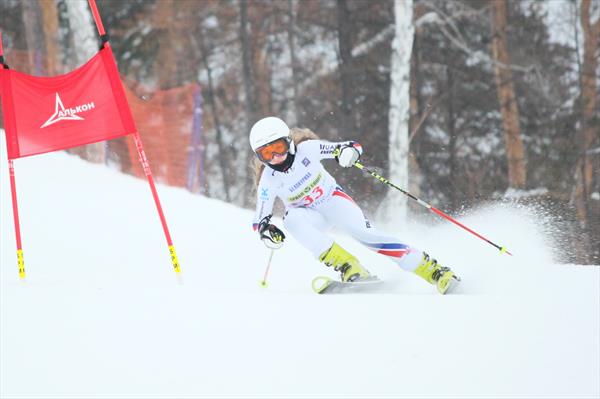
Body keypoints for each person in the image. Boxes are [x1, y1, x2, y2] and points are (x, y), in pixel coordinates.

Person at [250, 116, 459, 294]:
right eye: (266, 154)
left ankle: (434, 271)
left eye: (279, 147)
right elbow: (260, 219)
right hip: (311, 216)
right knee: (292, 219)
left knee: (369, 238)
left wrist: (347, 153)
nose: (275, 157)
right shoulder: (268, 180)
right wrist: (266, 230)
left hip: (333, 201)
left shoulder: (307, 149)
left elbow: (349, 146)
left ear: (289, 142)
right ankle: (350, 267)